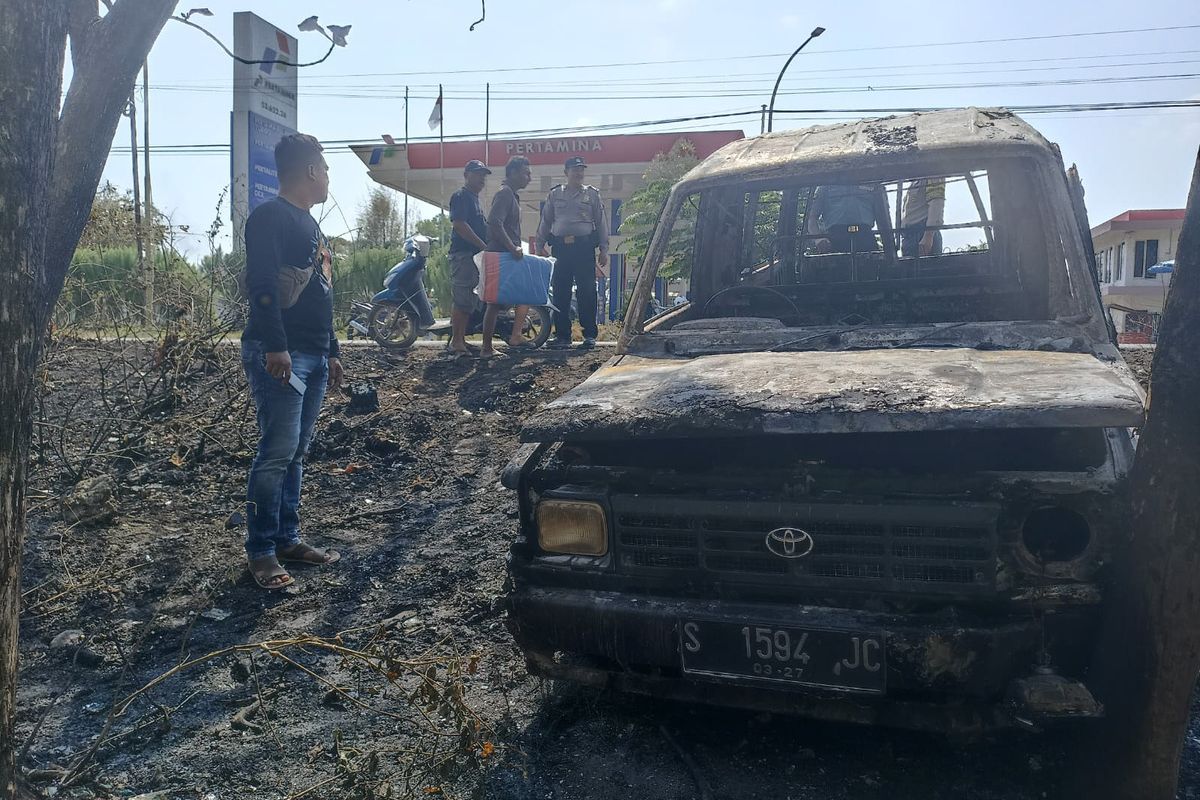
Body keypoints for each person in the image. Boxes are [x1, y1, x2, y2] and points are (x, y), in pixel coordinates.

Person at [241, 133, 344, 590]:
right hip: (281, 353)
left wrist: (333, 349)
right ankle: (260, 550)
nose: (328, 177)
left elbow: (322, 291)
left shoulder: (312, 225)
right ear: (309, 171)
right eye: (324, 169)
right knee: (275, 454)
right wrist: (275, 346)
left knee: (296, 453)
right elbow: (262, 286)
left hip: (314, 354)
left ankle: (287, 538)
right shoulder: (269, 218)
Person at [538, 156, 609, 349]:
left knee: (587, 290)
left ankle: (589, 335)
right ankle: (562, 335)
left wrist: (604, 249)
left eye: (581, 170)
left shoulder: (592, 194)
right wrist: (540, 243)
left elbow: (601, 222)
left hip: (584, 248)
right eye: (574, 169)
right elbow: (546, 220)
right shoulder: (555, 194)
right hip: (560, 248)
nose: (579, 173)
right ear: (566, 172)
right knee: (560, 291)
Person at [481, 155, 533, 358]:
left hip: (509, 255)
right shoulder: (504, 194)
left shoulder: (512, 195)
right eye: (525, 173)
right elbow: (494, 222)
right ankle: (486, 349)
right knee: (493, 303)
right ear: (512, 173)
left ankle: (515, 336)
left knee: (524, 293)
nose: (528, 178)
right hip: (501, 254)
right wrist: (512, 248)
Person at [447, 159, 492, 359]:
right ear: (466, 175)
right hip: (464, 255)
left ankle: (461, 339)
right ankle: (456, 341)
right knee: (463, 297)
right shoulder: (461, 196)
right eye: (477, 173)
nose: (481, 178)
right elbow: (459, 224)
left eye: (483, 175)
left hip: (475, 256)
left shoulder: (476, 200)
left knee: (471, 298)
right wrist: (482, 245)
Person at [807, 183, 895, 257]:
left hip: (865, 237)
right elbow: (811, 218)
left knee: (869, 275)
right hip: (836, 239)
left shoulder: (873, 183)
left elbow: (883, 219)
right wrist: (819, 239)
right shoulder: (825, 186)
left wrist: (889, 250)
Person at [901, 177, 946, 257]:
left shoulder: (932, 174)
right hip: (910, 236)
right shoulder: (916, 180)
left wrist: (928, 237)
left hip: (921, 234)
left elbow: (936, 204)